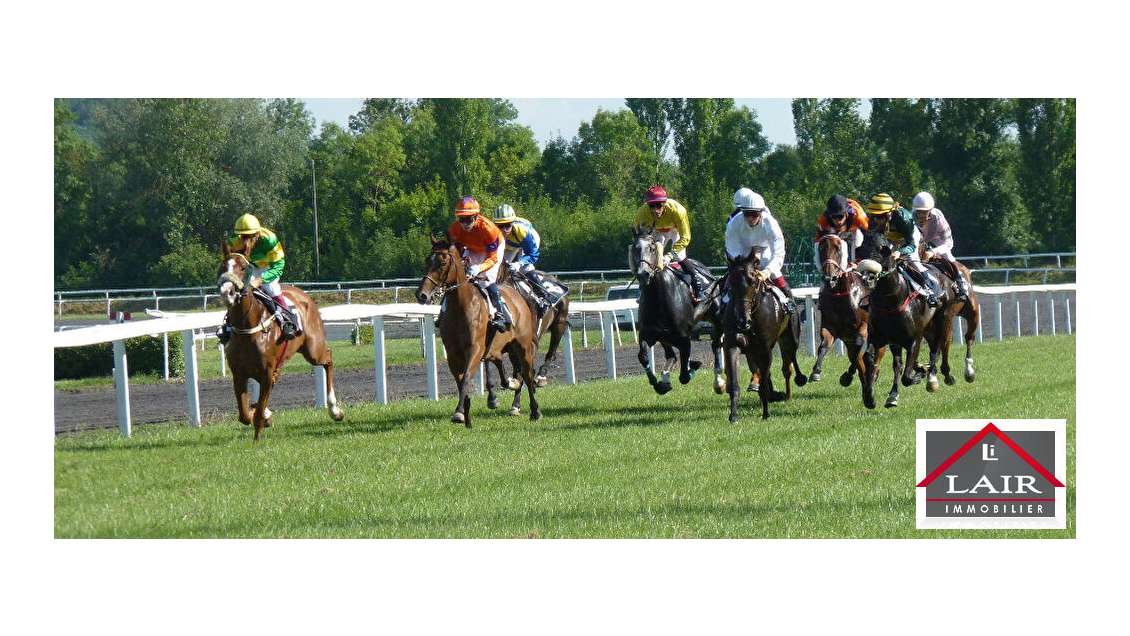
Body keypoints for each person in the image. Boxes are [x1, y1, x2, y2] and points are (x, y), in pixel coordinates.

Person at [220, 213, 301, 342]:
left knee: (271, 288)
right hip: (249, 267)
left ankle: (287, 320)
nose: (244, 240)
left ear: (257, 234)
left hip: (268, 267)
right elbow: (229, 261)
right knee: (236, 290)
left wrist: (260, 280)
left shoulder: (270, 240)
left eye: (249, 237)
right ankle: (228, 325)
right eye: (242, 236)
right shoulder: (234, 241)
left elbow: (279, 265)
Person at [863, 192, 943, 307]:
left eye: (880, 217)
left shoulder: (904, 219)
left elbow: (911, 245)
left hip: (908, 238)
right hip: (891, 237)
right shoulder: (874, 219)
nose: (876, 220)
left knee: (913, 261)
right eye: (874, 216)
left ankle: (931, 292)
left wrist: (899, 252)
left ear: (889, 214)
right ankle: (871, 297)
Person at [724, 187, 796, 314]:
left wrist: (767, 271)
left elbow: (778, 252)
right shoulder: (734, 223)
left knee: (777, 277)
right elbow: (732, 249)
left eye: (754, 214)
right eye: (747, 214)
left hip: (766, 252)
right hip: (744, 254)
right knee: (730, 281)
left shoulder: (771, 223)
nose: (750, 218)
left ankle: (791, 308)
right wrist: (746, 265)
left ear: (761, 213)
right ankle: (722, 307)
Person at [447, 196, 512, 331]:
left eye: (469, 219)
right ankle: (445, 312)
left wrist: (480, 267)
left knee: (486, 279)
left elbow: (492, 258)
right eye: (461, 219)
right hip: (472, 248)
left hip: (493, 250)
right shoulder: (454, 229)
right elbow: (455, 249)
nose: (465, 223)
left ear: (476, 216)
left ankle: (500, 314)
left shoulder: (488, 229)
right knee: (458, 277)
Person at [633, 185, 706, 302]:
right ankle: (642, 289)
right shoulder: (641, 213)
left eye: (658, 205)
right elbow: (639, 236)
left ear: (664, 203)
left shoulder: (678, 211)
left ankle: (698, 288)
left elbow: (685, 237)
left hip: (674, 230)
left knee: (680, 256)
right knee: (647, 258)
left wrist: (670, 255)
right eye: (651, 206)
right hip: (656, 231)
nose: (655, 210)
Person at [493, 203, 563, 313]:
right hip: (509, 245)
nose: (504, 230)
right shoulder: (492, 233)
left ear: (512, 223)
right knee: (498, 266)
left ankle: (543, 296)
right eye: (500, 226)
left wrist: (519, 263)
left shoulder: (522, 231)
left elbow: (533, 254)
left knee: (525, 268)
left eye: (508, 225)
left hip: (527, 241)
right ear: (495, 225)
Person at [912, 191, 969, 301]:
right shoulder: (910, 218)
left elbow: (949, 243)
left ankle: (961, 284)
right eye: (919, 212)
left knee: (948, 257)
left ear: (930, 210)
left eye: (925, 212)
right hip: (919, 240)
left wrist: (933, 251)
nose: (921, 215)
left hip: (936, 239)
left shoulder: (938, 217)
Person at [814, 194, 869, 267]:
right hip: (836, 229)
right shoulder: (823, 220)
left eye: (840, 216)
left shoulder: (859, 218)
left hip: (856, 226)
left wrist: (858, 260)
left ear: (846, 214)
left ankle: (856, 262)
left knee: (858, 238)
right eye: (834, 217)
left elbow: (868, 237)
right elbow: (817, 242)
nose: (838, 221)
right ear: (829, 216)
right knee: (830, 242)